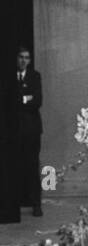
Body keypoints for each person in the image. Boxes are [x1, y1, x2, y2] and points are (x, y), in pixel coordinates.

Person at [16, 46, 43, 216]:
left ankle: (36, 203)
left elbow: (37, 100)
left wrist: (20, 99)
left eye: (27, 57)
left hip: (32, 129)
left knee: (33, 166)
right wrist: (26, 97)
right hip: (13, 130)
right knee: (15, 167)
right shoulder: (8, 76)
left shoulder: (35, 76)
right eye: (21, 57)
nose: (24, 60)